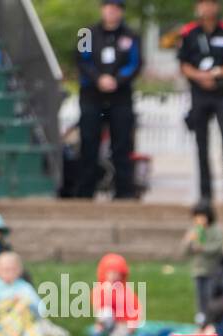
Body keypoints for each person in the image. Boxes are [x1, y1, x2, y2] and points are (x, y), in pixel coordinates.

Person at [177, 0, 223, 202]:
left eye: (210, 4)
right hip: (200, 94)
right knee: (201, 145)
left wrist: (217, 73)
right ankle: (205, 193)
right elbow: (183, 64)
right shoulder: (189, 32)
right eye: (203, 4)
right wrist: (200, 76)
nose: (206, 8)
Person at [76, 0, 143, 199]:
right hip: (92, 96)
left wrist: (117, 80)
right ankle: (85, 192)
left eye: (115, 8)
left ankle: (124, 192)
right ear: (102, 9)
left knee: (121, 145)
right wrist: (99, 78)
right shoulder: (85, 33)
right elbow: (81, 60)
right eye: (108, 7)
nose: (111, 11)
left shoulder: (131, 35)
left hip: (120, 97)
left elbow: (135, 63)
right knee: (88, 143)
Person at [181, 199, 223, 325]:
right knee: (200, 294)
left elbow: (218, 247)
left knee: (210, 294)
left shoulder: (215, 230)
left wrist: (203, 248)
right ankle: (201, 314)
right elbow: (185, 250)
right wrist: (188, 241)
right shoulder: (195, 231)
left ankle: (211, 316)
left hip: (212, 270)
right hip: (198, 270)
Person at [88, 253, 141, 336]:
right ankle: (97, 335)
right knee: (105, 313)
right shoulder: (100, 289)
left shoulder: (126, 291)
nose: (114, 276)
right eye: (111, 273)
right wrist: (106, 293)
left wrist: (131, 326)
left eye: (117, 273)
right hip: (109, 321)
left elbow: (135, 310)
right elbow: (98, 308)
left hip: (123, 324)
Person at [0, 252, 46, 318]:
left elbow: (42, 310)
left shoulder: (24, 287)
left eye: (13, 269)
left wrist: (25, 302)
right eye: (6, 270)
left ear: (20, 270)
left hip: (21, 324)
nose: (10, 273)